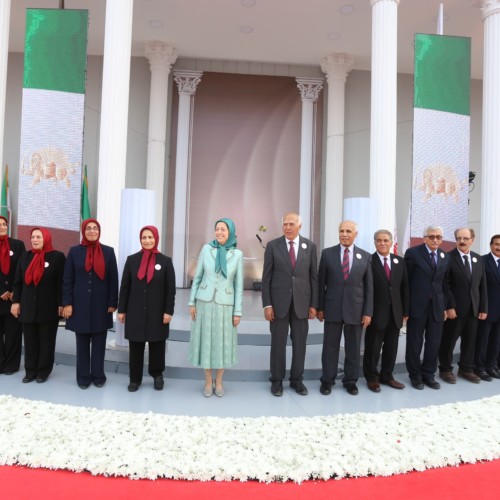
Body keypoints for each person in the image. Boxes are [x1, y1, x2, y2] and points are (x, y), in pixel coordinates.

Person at [261, 212, 318, 397]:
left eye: (291, 224)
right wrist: (267, 305)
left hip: (302, 304)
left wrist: (313, 305)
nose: (287, 227)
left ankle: (297, 380)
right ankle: (277, 381)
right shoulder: (272, 246)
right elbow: (266, 278)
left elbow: (313, 278)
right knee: (278, 343)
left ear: (300, 226)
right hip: (278, 305)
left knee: (300, 344)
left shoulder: (309, 246)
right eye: (285, 224)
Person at [189, 218, 243, 397]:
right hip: (204, 302)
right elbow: (197, 277)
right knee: (206, 342)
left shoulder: (237, 254)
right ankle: (207, 381)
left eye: (223, 230)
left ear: (231, 233)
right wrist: (191, 302)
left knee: (222, 344)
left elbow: (238, 285)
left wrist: (238, 311)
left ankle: (219, 381)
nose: (219, 232)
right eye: (217, 229)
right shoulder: (206, 249)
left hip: (225, 306)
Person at [318, 220, 373, 396]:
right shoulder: (327, 254)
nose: (344, 234)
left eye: (348, 231)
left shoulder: (365, 256)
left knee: (353, 349)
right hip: (332, 308)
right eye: (341, 230)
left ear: (355, 234)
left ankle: (350, 381)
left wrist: (367, 312)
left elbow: (369, 288)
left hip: (355, 311)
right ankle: (327, 380)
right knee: (330, 348)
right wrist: (319, 307)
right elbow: (321, 284)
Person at [62, 218, 119, 389]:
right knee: (82, 343)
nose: (92, 231)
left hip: (101, 305)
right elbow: (67, 279)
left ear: (99, 231)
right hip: (78, 305)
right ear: (83, 231)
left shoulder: (108, 252)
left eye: (95, 228)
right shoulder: (74, 252)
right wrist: (67, 303)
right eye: (88, 228)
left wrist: (112, 302)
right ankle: (83, 376)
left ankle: (98, 375)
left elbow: (113, 279)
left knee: (100, 342)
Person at [118, 226, 175, 392]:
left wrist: (168, 311)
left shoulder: (165, 261)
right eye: (144, 237)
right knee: (135, 345)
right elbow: (125, 287)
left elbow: (170, 289)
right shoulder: (132, 260)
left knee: (157, 344)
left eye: (150, 237)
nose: (147, 240)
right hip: (135, 310)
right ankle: (135, 379)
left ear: (156, 238)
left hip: (158, 312)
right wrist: (121, 310)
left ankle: (157, 375)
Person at [11, 227, 65, 383]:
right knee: (29, 342)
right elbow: (17, 282)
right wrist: (16, 302)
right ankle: (30, 371)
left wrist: (61, 303)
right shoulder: (24, 257)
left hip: (48, 308)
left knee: (46, 341)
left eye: (38, 237)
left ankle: (43, 372)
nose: (35, 240)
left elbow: (61, 283)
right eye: (33, 237)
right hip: (27, 308)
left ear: (46, 238)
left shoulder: (57, 257)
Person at [438, 228, 487, 384]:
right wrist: (449, 306)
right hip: (455, 310)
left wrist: (483, 308)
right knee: (449, 341)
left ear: (472, 239)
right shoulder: (447, 257)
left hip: (474, 309)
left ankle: (466, 369)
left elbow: (482, 286)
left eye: (466, 238)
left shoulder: (478, 259)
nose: (462, 241)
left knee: (470, 341)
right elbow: (445, 284)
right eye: (459, 238)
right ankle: (445, 369)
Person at [405, 225, 450, 390]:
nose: (435, 239)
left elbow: (445, 284)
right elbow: (406, 282)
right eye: (431, 236)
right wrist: (406, 308)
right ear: (424, 238)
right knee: (414, 343)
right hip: (417, 306)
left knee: (433, 343)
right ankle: (415, 375)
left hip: (437, 307)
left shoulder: (445, 256)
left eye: (438, 236)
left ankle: (429, 374)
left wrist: (445, 306)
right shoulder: (413, 253)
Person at [363, 229, 408, 392]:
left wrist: (405, 311)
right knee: (373, 347)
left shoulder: (400, 262)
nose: (382, 243)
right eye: (379, 240)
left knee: (391, 347)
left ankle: (387, 376)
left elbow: (405, 288)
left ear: (391, 243)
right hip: (376, 313)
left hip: (395, 313)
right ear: (374, 243)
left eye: (385, 240)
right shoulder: (368, 260)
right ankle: (372, 378)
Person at [0, 216, 26, 375]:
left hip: (13, 299)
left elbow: (22, 269)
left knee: (13, 335)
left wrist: (15, 293)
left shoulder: (18, 245)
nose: (2, 227)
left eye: (4, 224)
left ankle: (10, 365)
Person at [474, 234, 500, 381]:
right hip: (487, 308)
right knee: (483, 339)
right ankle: (480, 367)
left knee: (496, 340)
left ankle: (491, 366)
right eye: (496, 244)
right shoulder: (482, 261)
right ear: (491, 245)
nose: (499, 248)